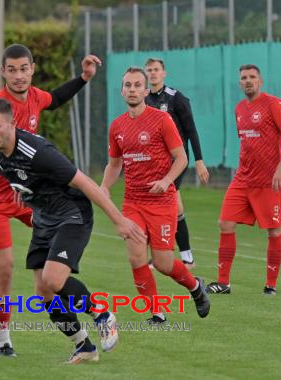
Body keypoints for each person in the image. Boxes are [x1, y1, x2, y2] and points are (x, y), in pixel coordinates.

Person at [0, 97, 146, 363]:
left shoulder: (38, 151)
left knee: (53, 280)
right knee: (44, 292)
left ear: (12, 123)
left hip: (72, 213)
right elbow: (18, 176)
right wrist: (24, 191)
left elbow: (86, 183)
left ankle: (102, 313)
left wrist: (119, 220)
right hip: (44, 217)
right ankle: (84, 347)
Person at [0, 44, 102, 356]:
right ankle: (3, 342)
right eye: (11, 70)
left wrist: (83, 77)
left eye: (23, 69)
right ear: (3, 72)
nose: (18, 76)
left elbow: (54, 100)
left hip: (27, 194)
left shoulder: (34, 96)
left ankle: (84, 332)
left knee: (50, 275)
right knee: (4, 268)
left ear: (32, 69)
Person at [100, 67, 211, 324]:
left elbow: (182, 157)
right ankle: (156, 313)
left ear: (145, 90)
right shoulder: (117, 126)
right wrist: (104, 187)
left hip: (162, 201)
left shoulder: (161, 120)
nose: (132, 90)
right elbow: (115, 164)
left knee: (162, 262)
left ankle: (196, 287)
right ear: (122, 91)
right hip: (133, 202)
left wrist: (166, 180)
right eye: (127, 85)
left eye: (137, 85)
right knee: (136, 257)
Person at [206, 64, 281, 296]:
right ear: (239, 83)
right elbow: (248, 144)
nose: (248, 81)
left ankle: (271, 284)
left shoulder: (273, 104)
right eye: (244, 78)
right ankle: (223, 283)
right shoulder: (239, 109)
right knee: (225, 223)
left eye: (252, 77)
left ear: (260, 81)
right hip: (243, 179)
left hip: (269, 181)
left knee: (273, 231)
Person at [144, 58, 209, 269]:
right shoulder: (144, 99)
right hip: (154, 163)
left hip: (176, 162)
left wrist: (199, 161)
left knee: (174, 203)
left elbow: (191, 130)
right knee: (159, 207)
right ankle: (162, 255)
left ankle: (187, 256)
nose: (153, 73)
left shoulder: (176, 98)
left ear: (164, 73)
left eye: (156, 70)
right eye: (150, 70)